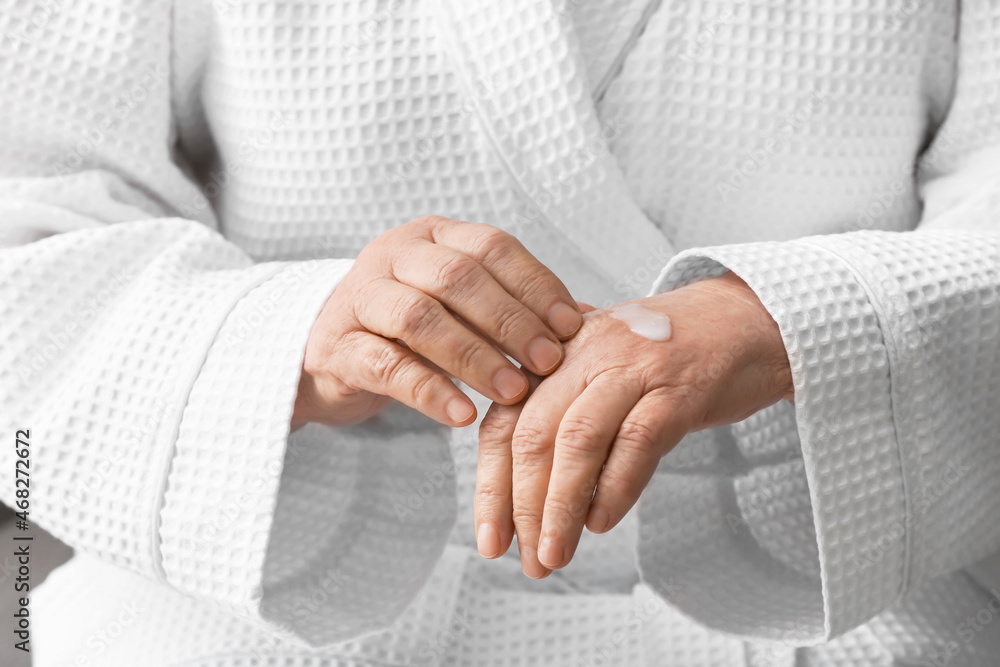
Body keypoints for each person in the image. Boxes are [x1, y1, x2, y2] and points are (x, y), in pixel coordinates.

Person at [1, 0, 999, 664]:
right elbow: (26, 218)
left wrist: (802, 323)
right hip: (247, 618)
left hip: (850, 604)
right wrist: (295, 341)